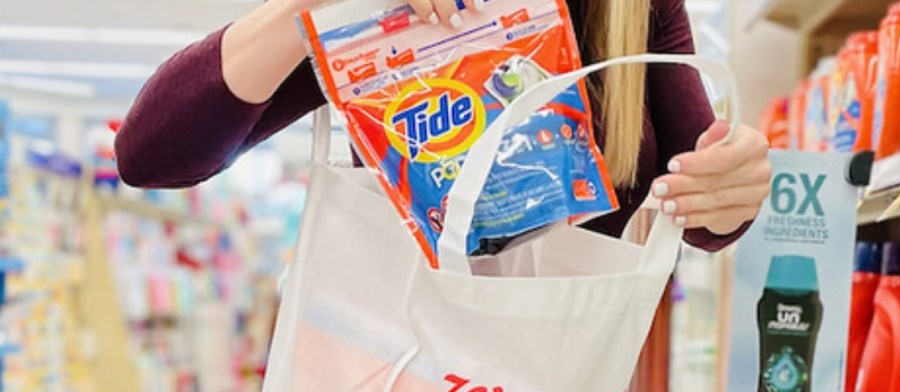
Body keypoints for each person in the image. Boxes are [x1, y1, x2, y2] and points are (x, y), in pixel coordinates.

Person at [114, 0, 771, 251]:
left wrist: (732, 182)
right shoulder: (390, 10)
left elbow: (701, 199)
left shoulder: (633, 8)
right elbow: (153, 153)